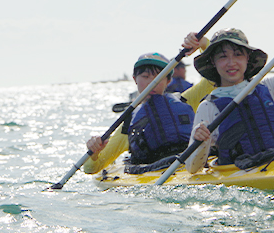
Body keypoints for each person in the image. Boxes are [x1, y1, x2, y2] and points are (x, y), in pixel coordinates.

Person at [186, 9, 274, 173]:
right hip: (236, 173)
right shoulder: (207, 107)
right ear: (213, 63)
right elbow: (192, 168)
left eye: (238, 55)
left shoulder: (271, 88)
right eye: (223, 57)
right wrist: (201, 141)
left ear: (248, 59)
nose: (231, 63)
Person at [83, 35, 215, 174]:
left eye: (158, 77)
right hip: (153, 173)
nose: (152, 84)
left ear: (168, 81)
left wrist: (203, 44)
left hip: (189, 166)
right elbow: (91, 168)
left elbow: (213, 77)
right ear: (135, 79)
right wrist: (94, 153)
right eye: (145, 77)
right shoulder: (128, 125)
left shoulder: (185, 100)